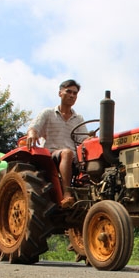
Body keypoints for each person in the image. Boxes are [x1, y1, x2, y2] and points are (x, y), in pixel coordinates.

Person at [26, 79, 87, 208]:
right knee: (67, 153)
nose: (72, 95)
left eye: (75, 93)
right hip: (51, 155)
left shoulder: (78, 118)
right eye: (68, 91)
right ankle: (66, 194)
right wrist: (32, 133)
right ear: (60, 93)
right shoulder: (48, 113)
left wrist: (91, 139)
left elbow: (84, 140)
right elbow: (34, 127)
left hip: (73, 159)